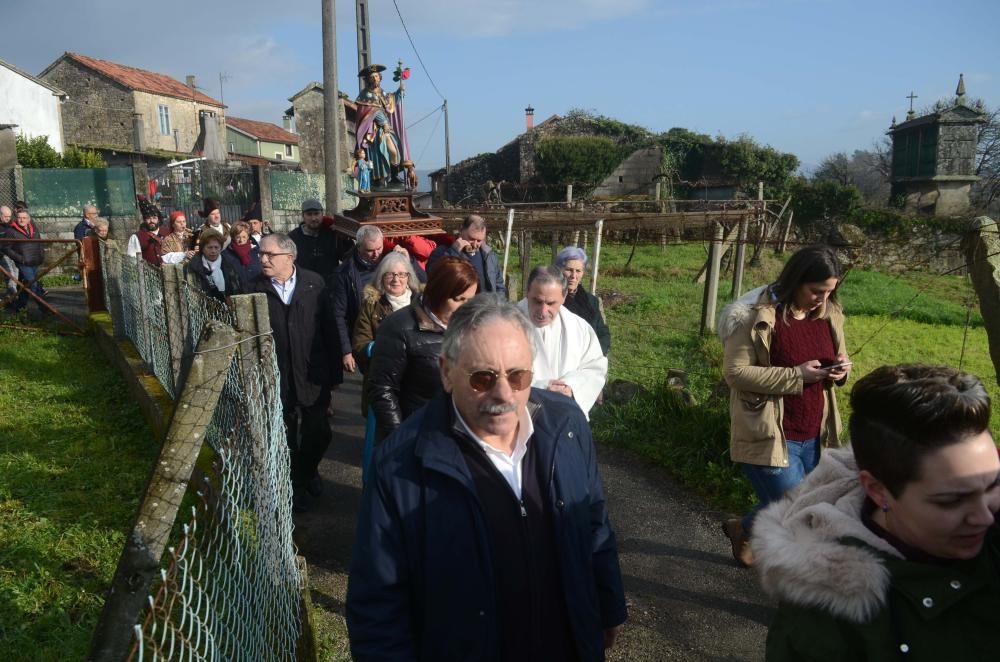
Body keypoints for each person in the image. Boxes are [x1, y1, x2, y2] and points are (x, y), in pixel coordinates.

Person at [347, 294, 628, 661]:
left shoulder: (567, 427)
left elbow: (594, 522)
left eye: (518, 375)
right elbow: (378, 602)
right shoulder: (401, 465)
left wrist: (608, 609)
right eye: (482, 378)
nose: (504, 393)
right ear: (447, 372)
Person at [755, 364, 1000, 661]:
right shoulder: (824, 624)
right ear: (877, 490)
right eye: (950, 501)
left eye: (993, 485)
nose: (985, 516)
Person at [717, 244, 850, 568]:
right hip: (771, 434)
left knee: (792, 505)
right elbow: (735, 373)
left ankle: (742, 528)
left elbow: (839, 356)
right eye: (817, 291)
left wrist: (842, 370)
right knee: (800, 517)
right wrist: (796, 375)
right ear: (795, 281)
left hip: (815, 433)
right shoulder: (755, 317)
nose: (822, 298)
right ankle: (800, 597)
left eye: (829, 291)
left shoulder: (829, 314)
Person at [252, 233, 341, 513]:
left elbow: (329, 329)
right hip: (275, 375)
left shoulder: (314, 283)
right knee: (285, 436)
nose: (263, 259)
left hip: (312, 373)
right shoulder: (252, 288)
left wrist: (334, 374)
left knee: (318, 432)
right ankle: (296, 485)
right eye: (261, 254)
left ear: (289, 257)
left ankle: (307, 471)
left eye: (270, 255)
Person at [365, 256, 478, 442]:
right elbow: (382, 389)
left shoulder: (472, 326)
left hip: (459, 434)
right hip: (416, 434)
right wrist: (400, 439)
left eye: (470, 299)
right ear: (439, 292)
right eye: (460, 299)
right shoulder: (399, 326)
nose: (467, 307)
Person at [517, 265, 608, 418]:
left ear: (564, 296)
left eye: (551, 303)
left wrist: (571, 387)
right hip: (520, 417)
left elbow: (595, 366)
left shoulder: (579, 328)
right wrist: (541, 387)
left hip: (565, 417)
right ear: (527, 292)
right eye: (537, 301)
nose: (542, 311)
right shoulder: (506, 323)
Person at [352, 251, 421, 412]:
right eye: (390, 275)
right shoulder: (371, 305)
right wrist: (385, 348)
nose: (396, 280)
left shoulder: (421, 303)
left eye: (402, 274)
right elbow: (359, 344)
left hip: (417, 382)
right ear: (382, 277)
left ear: (409, 277)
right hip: (383, 381)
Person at [334, 224, 385, 374]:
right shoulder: (345, 273)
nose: (376, 254)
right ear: (359, 247)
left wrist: (410, 261)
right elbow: (339, 314)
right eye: (370, 250)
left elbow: (420, 281)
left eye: (379, 248)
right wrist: (346, 351)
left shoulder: (389, 263)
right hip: (364, 337)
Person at [354, 63, 409, 186]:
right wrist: (383, 122)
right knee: (378, 156)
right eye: (372, 77)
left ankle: (394, 176)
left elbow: (390, 102)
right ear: (367, 79)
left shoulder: (382, 93)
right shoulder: (365, 95)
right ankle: (378, 179)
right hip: (373, 132)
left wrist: (399, 92)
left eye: (376, 76)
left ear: (380, 77)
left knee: (394, 151)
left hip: (386, 129)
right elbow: (370, 111)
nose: (374, 79)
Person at [426, 214, 507, 297]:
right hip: (460, 308)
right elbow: (435, 280)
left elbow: (499, 286)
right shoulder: (441, 252)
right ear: (461, 230)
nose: (475, 245)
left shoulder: (489, 256)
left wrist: (497, 306)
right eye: (471, 239)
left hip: (486, 308)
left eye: (479, 241)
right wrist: (454, 252)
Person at [555, 246, 611, 355]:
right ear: (559, 270)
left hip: (592, 359)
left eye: (578, 271)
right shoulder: (551, 301)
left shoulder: (591, 301)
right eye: (569, 270)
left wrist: (596, 355)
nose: (573, 276)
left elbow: (602, 332)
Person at [289, 198, 348, 290]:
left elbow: (346, 257)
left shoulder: (332, 234)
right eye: (309, 214)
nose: (313, 218)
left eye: (316, 214)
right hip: (303, 287)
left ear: (322, 214)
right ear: (303, 216)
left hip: (329, 286)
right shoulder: (293, 237)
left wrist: (345, 239)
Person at [1, 209, 46, 312]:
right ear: (16, 218)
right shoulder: (11, 231)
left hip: (35, 261)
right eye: (19, 218)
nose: (21, 220)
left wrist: (41, 255)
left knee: (25, 286)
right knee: (33, 285)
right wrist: (20, 259)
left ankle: (18, 307)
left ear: (29, 219)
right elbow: (5, 248)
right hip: (24, 263)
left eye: (24, 218)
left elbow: (40, 243)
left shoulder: (34, 229)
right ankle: (45, 308)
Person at [184, 230, 240, 302]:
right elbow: (193, 293)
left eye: (216, 247)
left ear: (221, 248)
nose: (213, 251)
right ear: (202, 248)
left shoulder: (229, 264)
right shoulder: (193, 266)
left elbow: (236, 288)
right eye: (209, 247)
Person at [222, 221, 261, 292]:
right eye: (238, 237)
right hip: (237, 293)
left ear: (248, 237)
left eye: (244, 237)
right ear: (233, 238)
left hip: (258, 291)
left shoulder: (256, 252)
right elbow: (226, 277)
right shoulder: (226, 255)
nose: (241, 240)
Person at [0, 205, 18, 296]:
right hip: (2, 254)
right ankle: (13, 293)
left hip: (12, 253)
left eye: (9, 216)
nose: (8, 218)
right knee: (10, 273)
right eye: (5, 216)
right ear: (0, 215)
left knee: (16, 271)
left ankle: (10, 293)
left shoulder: (12, 225)